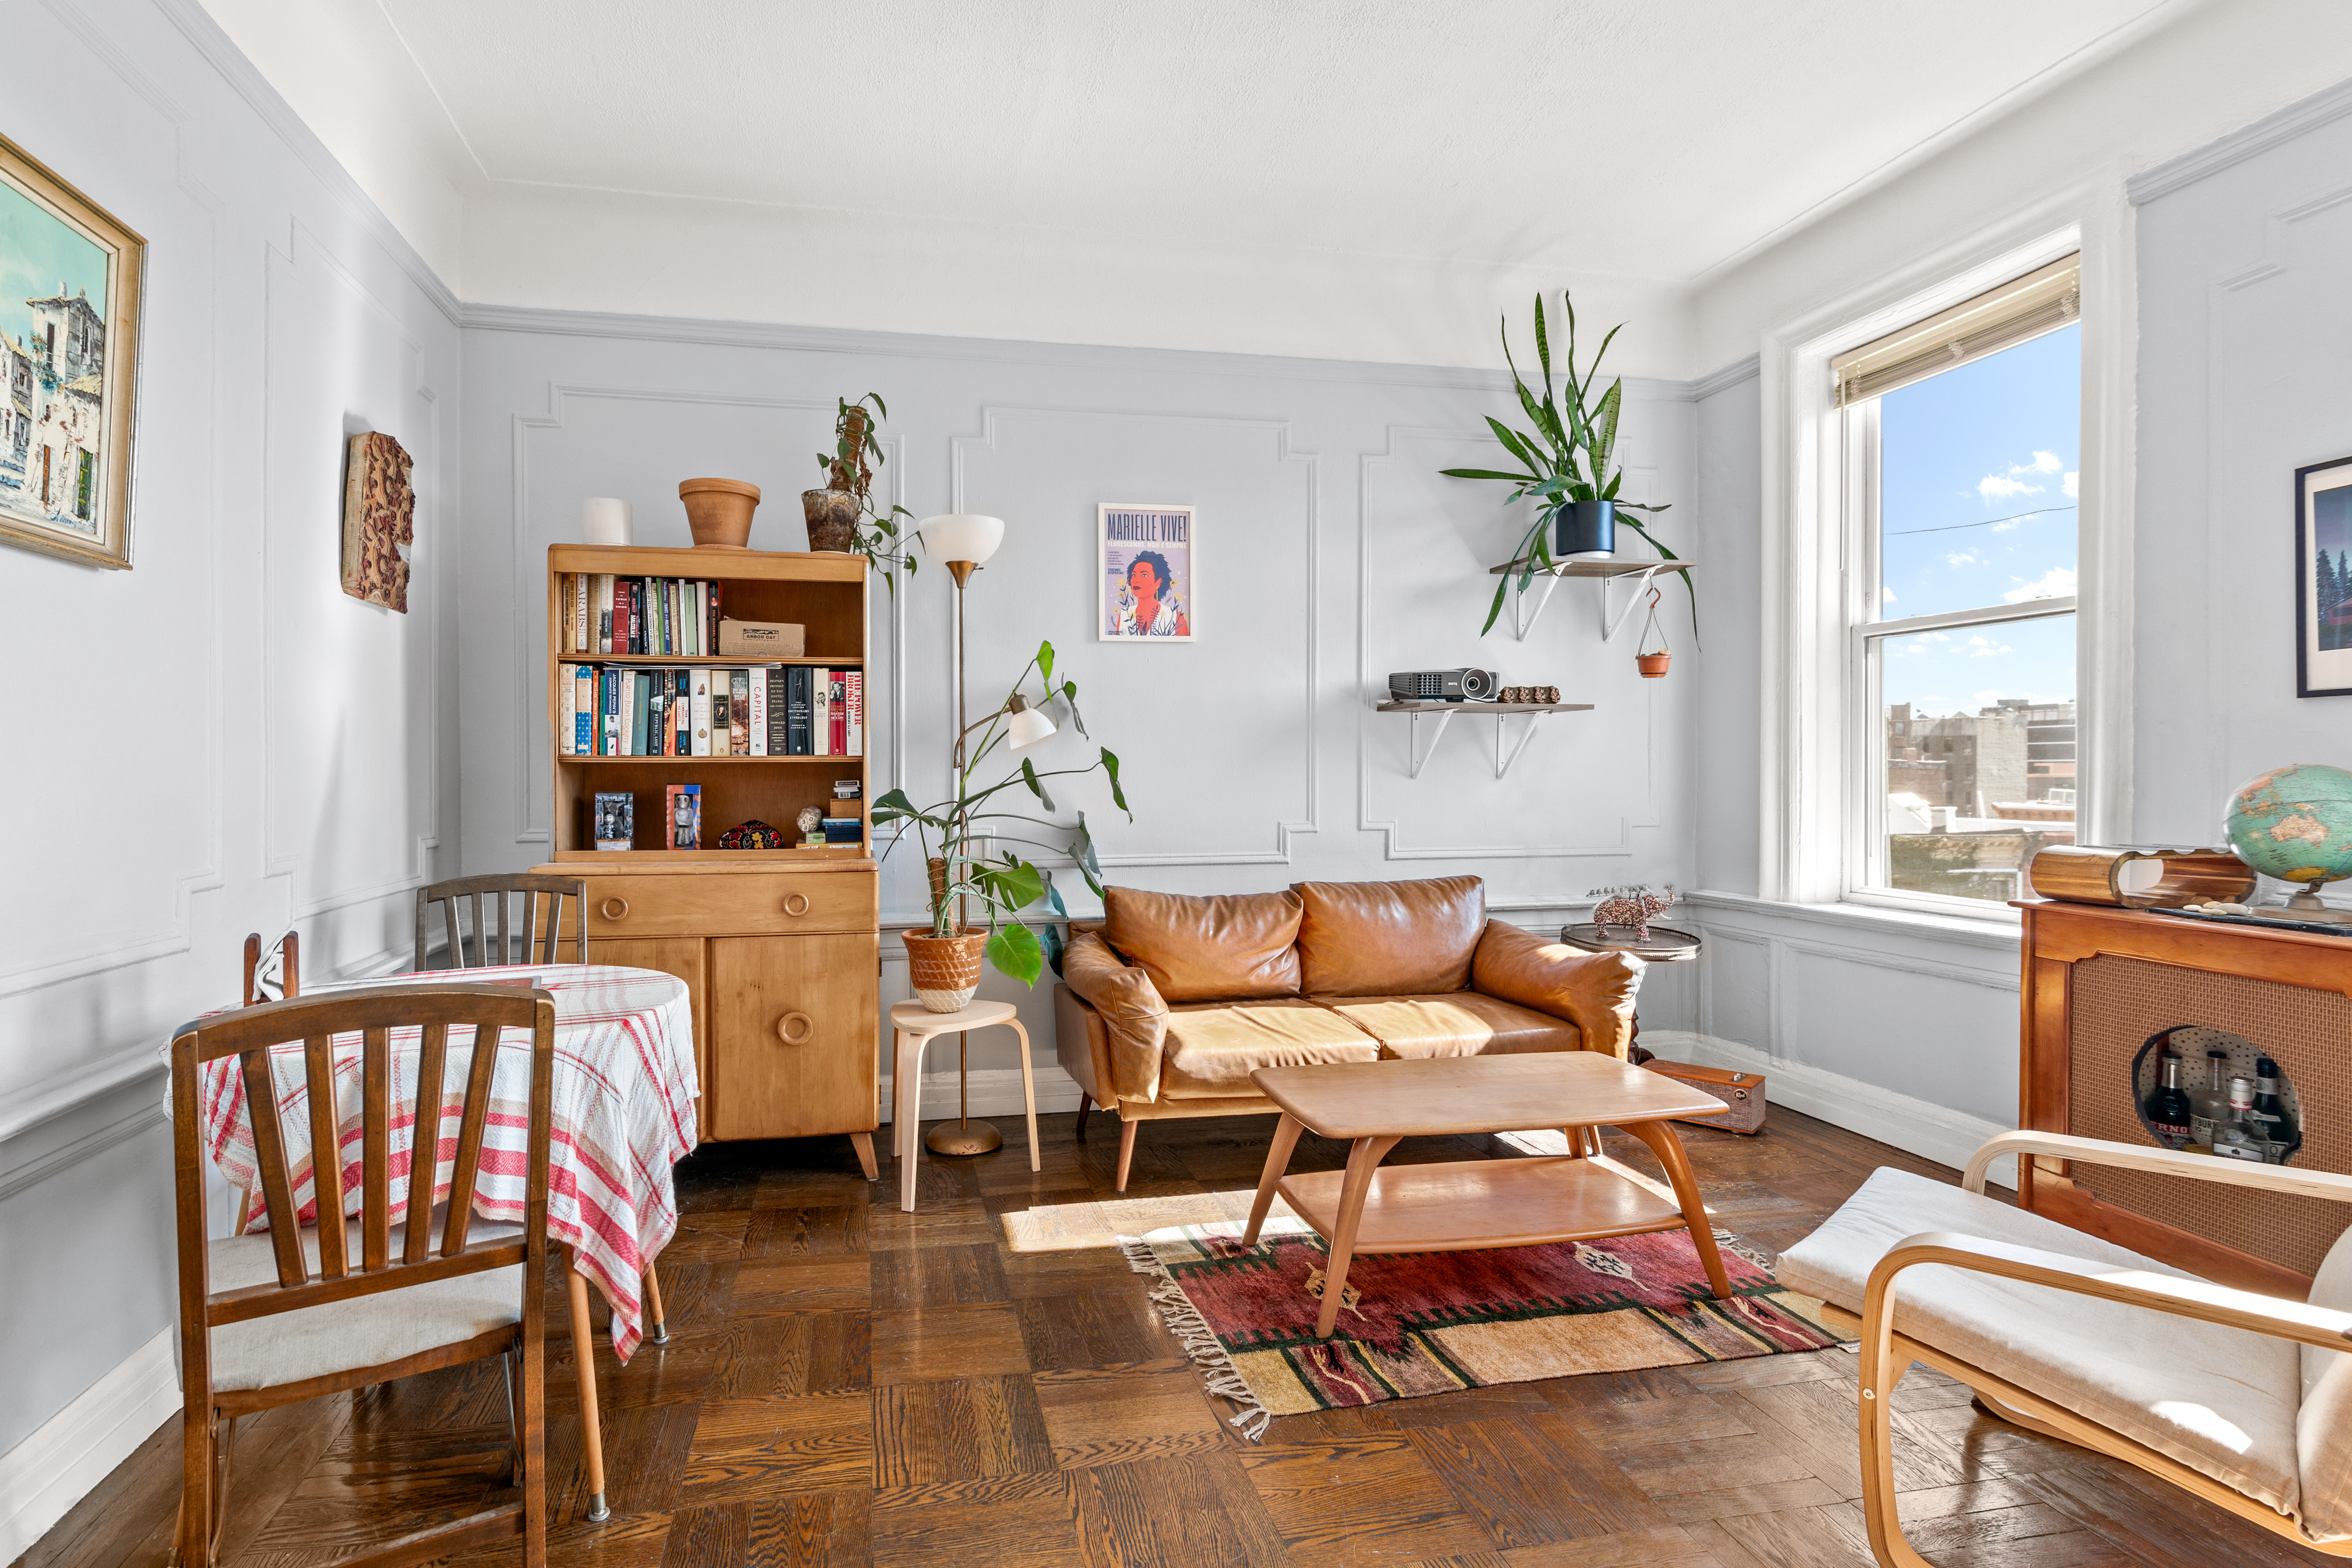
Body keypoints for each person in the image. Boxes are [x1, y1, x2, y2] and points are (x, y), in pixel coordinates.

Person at [1116, 550, 1188, 637]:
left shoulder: (1176, 617)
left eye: (1144, 575)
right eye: (1134, 575)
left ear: (1159, 582)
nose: (1136, 580)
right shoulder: (1125, 614)